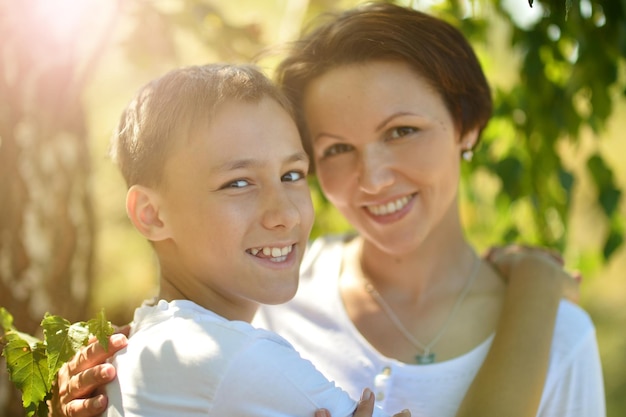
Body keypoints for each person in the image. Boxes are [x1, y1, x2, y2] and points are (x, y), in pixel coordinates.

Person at [53, 3, 604, 417]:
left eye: (402, 131)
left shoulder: (560, 338)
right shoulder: (259, 292)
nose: (374, 176)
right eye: (337, 148)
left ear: (468, 126)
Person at [96, 61, 418, 417]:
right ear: (151, 214)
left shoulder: (145, 344)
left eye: (292, 174)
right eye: (238, 183)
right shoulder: (235, 358)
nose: (286, 214)